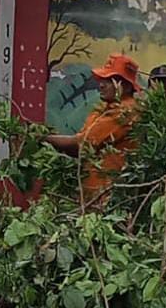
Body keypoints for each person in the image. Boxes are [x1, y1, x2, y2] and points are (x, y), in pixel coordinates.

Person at [46, 53, 140, 206]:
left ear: (127, 86)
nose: (101, 84)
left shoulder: (125, 112)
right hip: (96, 197)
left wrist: (42, 137)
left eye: (109, 80)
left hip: (109, 200)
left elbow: (80, 145)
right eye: (102, 79)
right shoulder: (105, 108)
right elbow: (82, 139)